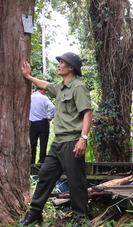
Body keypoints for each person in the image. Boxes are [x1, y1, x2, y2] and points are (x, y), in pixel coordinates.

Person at [19, 52, 93, 226]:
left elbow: (88, 113)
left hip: (72, 142)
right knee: (44, 176)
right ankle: (35, 213)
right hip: (58, 143)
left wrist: (83, 138)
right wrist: (28, 76)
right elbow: (44, 84)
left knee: (76, 181)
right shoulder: (60, 87)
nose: (59, 64)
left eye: (62, 62)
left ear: (71, 67)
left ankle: (80, 217)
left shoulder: (78, 87)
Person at [29, 87, 55, 164]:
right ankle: (42, 161)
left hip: (33, 123)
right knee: (43, 143)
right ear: (42, 90)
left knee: (32, 143)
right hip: (43, 122)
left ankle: (31, 161)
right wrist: (50, 117)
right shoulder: (44, 98)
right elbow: (53, 107)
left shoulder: (30, 97)